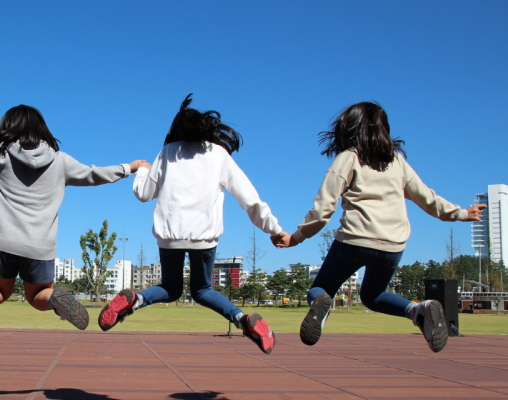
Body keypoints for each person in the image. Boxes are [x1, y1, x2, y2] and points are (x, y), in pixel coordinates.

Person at [273, 101, 485, 353]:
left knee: (321, 289)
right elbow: (428, 199)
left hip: (353, 241)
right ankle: (418, 309)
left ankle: (322, 303)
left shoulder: (348, 158)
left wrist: (296, 238)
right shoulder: (397, 162)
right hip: (392, 247)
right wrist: (461, 213)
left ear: (348, 129)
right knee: (372, 296)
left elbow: (322, 211)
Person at [0, 78, 146, 334]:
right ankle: (54, 299)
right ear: (41, 129)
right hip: (39, 246)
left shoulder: (0, 155)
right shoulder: (60, 162)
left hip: (1, 241)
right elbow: (95, 174)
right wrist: (129, 168)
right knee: (38, 295)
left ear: (8, 128)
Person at [98, 94, 285, 355]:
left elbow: (143, 194)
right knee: (202, 289)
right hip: (204, 238)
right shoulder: (219, 155)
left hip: (169, 236)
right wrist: (274, 229)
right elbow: (249, 198)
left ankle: (135, 300)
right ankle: (242, 320)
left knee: (170, 288)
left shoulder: (167, 153)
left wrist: (141, 169)